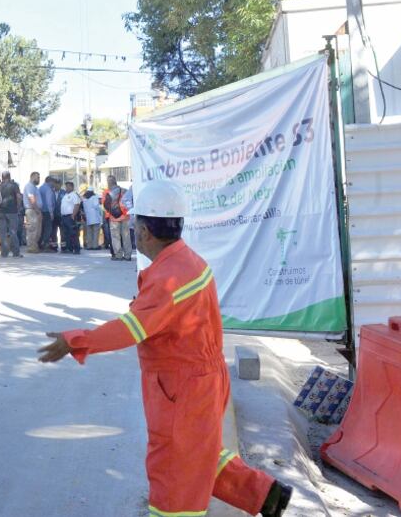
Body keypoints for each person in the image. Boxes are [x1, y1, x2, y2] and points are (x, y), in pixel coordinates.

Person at [37, 180, 293, 517]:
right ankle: (266, 496)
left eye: (135, 226)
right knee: (199, 454)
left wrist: (76, 340)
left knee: (173, 471)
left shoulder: (168, 278)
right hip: (203, 381)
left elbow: (130, 329)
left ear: (144, 231)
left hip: (181, 390)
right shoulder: (189, 262)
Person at [102, 175, 132, 261]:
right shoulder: (124, 191)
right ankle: (127, 255)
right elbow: (129, 202)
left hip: (114, 218)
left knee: (115, 237)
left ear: (109, 183)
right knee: (126, 236)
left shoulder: (108, 193)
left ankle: (118, 255)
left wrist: (112, 212)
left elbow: (105, 205)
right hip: (125, 217)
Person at [0, 171, 22, 258]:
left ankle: (4, 253)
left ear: (2, 177)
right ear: (10, 176)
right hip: (12, 211)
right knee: (13, 232)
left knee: (3, 233)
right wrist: (18, 207)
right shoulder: (14, 185)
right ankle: (16, 252)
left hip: (2, 211)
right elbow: (19, 197)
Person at [59, 181, 81, 254]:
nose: (67, 188)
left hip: (70, 216)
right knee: (65, 234)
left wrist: (73, 215)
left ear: (72, 187)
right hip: (64, 217)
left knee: (73, 233)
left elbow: (77, 205)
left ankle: (76, 249)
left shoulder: (74, 195)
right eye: (66, 186)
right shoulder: (65, 195)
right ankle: (68, 248)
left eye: (68, 186)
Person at [23, 172, 43, 254]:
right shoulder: (29, 186)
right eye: (37, 177)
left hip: (34, 210)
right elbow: (31, 198)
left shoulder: (34, 187)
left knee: (37, 229)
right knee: (32, 229)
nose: (39, 179)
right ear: (32, 177)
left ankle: (34, 246)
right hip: (32, 210)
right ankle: (31, 247)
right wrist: (37, 210)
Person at [38, 176, 56, 251]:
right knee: (48, 229)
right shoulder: (48, 189)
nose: (54, 184)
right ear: (50, 181)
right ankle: (45, 245)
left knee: (42, 229)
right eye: (53, 182)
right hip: (47, 212)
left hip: (41, 211)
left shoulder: (40, 188)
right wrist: (51, 213)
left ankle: (40, 244)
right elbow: (49, 202)